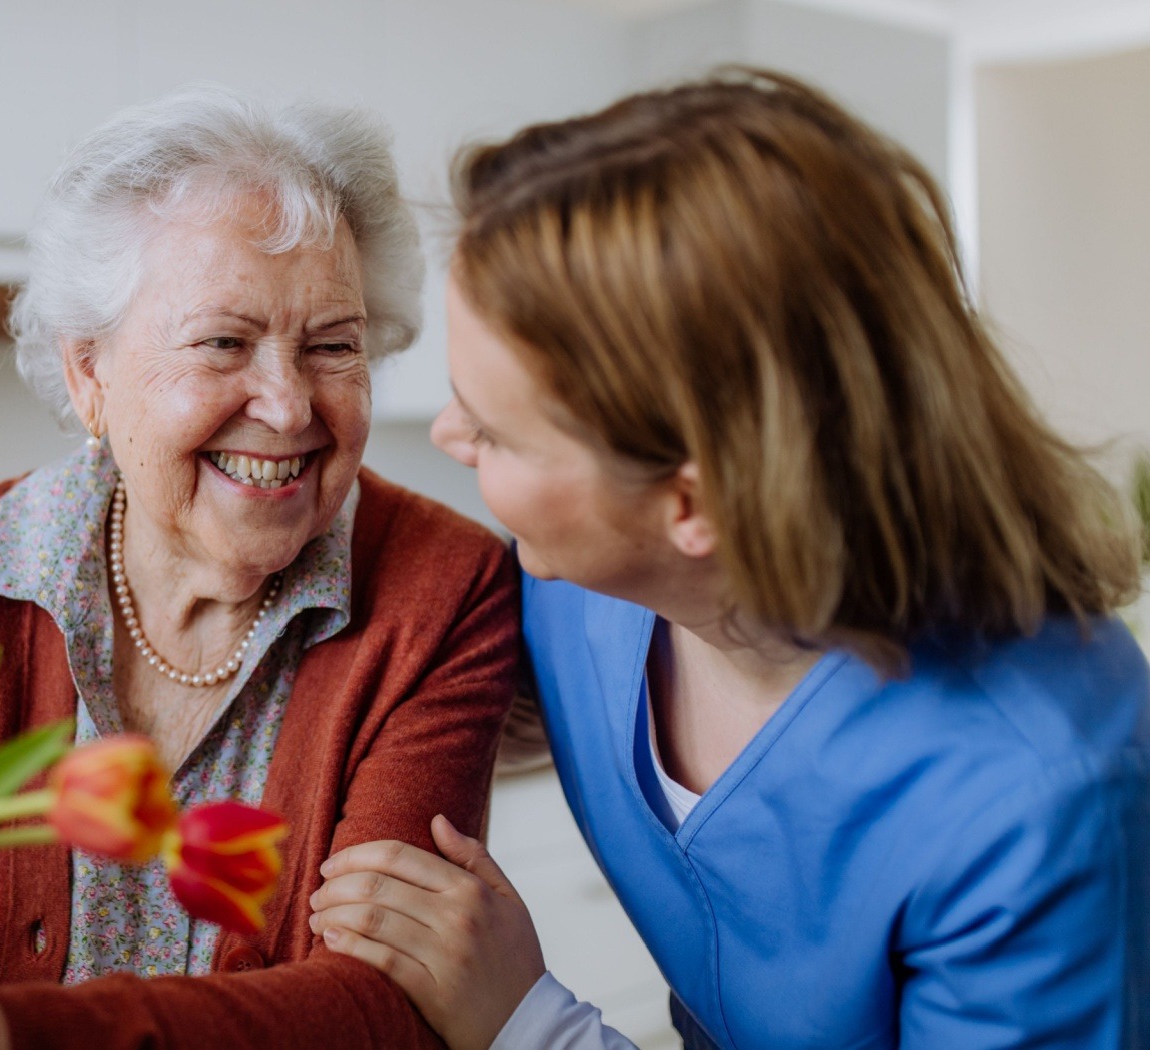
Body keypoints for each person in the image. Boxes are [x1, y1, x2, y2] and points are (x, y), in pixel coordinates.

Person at [310, 69, 1150, 1049]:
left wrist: (531, 1026)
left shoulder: (1039, 795)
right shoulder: (584, 597)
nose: (450, 436)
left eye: (496, 434)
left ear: (691, 501)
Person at [0, 87, 520, 1050]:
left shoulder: (442, 589)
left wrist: (1, 1030)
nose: (288, 406)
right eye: (223, 343)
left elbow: (391, 1007)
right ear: (90, 374)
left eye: (334, 345)